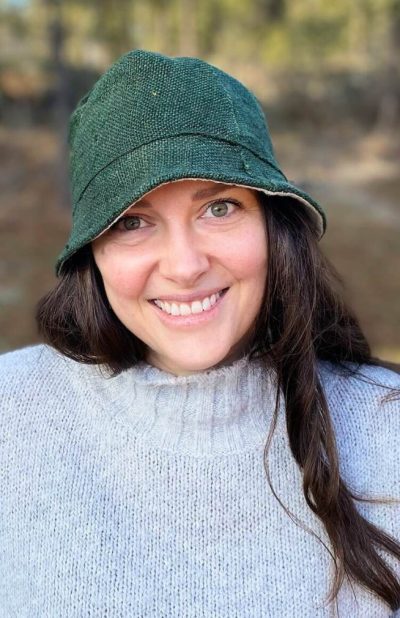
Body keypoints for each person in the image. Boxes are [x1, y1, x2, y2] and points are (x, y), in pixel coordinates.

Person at [0, 49, 399, 617]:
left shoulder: (387, 428)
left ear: (273, 225)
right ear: (92, 254)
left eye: (219, 208)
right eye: (132, 222)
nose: (185, 266)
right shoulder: (11, 415)